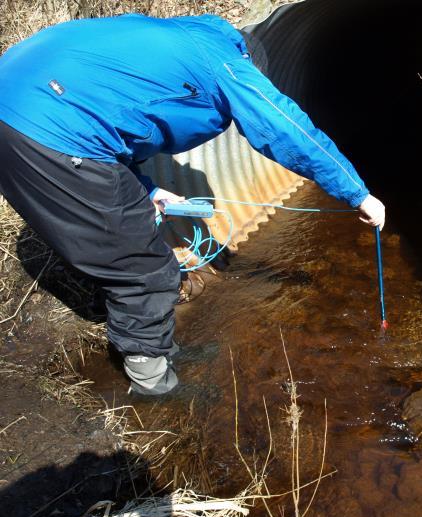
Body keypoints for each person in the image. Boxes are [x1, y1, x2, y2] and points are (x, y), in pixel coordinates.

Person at [0, 14, 386, 396]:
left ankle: (158, 348)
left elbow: (115, 118)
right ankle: (154, 385)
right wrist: (357, 192)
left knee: (128, 233)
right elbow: (286, 128)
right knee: (143, 267)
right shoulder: (226, 64)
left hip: (22, 102)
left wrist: (149, 190)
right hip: (49, 126)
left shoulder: (179, 38)